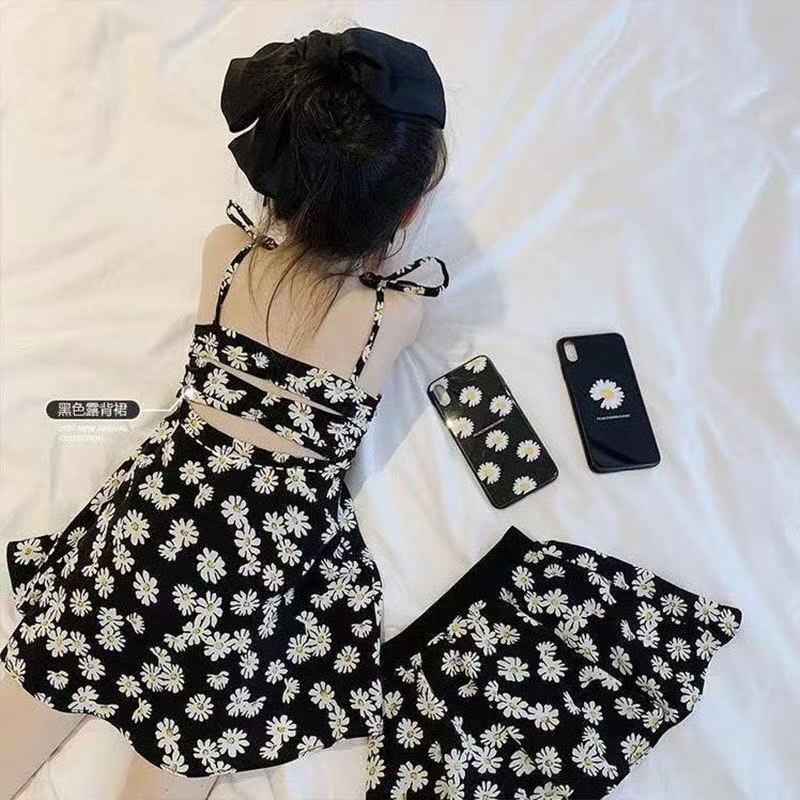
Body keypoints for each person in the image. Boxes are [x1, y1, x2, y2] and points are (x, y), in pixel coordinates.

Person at [0, 26, 448, 799]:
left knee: (49, 671)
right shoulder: (393, 316)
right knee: (187, 739)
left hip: (157, 518)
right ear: (405, 214)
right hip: (249, 569)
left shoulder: (226, 253)